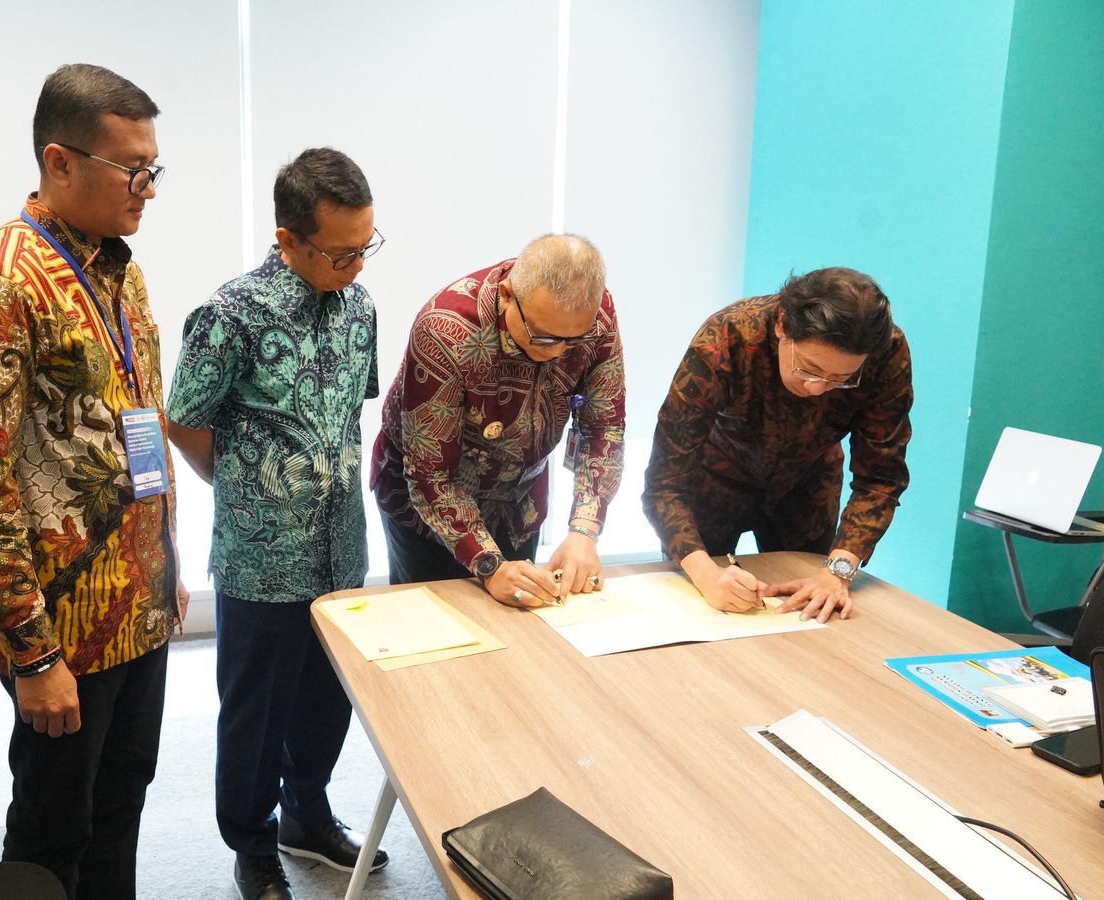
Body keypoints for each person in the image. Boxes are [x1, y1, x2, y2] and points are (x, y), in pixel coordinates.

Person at [0, 63, 186, 900]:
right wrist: (33, 652)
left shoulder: (120, 270)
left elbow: (138, 422)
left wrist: (165, 566)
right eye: (133, 169)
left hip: (137, 601)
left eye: (154, 167)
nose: (149, 188)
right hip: (61, 624)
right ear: (60, 161)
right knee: (54, 828)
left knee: (122, 800)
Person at [165, 147, 386, 900]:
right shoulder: (230, 315)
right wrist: (241, 486)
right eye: (340, 253)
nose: (356, 265)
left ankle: (306, 815)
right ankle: (252, 843)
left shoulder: (360, 307)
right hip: (261, 558)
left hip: (340, 552)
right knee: (255, 716)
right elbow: (185, 420)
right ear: (288, 239)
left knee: (327, 701)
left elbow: (349, 412)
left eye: (366, 247)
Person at [642, 267, 913, 623]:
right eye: (809, 369)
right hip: (714, 479)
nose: (817, 388)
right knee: (702, 609)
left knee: (809, 614)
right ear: (783, 325)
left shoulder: (886, 352)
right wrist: (706, 576)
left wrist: (838, 571)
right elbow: (665, 482)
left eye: (841, 379)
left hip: (808, 482)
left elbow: (880, 477)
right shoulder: (727, 337)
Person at [372, 234, 626, 608]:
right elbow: (431, 473)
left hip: (518, 501)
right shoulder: (446, 329)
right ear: (507, 295)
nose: (558, 352)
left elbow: (604, 427)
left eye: (572, 341)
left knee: (520, 615)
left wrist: (584, 531)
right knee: (437, 625)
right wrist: (489, 565)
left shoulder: (594, 315)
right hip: (428, 511)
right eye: (543, 337)